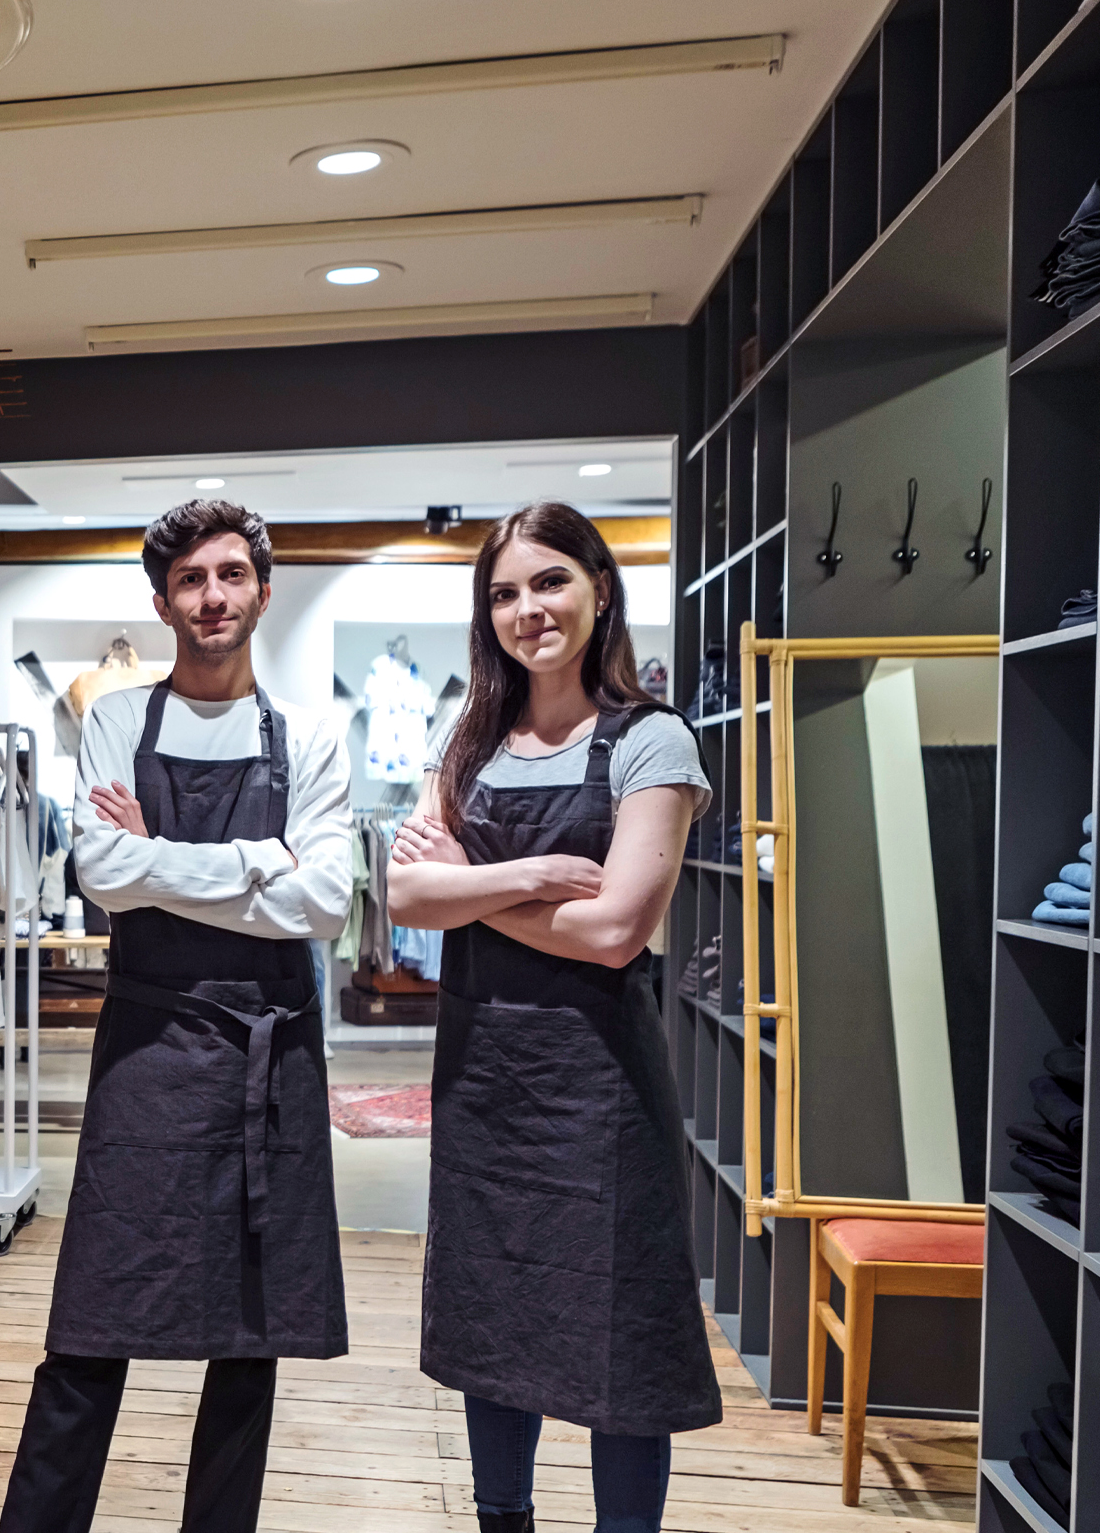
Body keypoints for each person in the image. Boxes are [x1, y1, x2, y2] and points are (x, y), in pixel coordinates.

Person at [0, 499, 352, 1533]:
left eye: (232, 575)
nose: (214, 596)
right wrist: (258, 862)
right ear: (163, 602)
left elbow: (323, 904)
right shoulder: (115, 718)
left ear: (262, 590)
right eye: (192, 581)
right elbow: (103, 874)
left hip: (270, 1056)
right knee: (90, 1325)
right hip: (146, 1052)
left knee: (248, 1340)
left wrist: (163, 863)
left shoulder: (313, 735)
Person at [387, 501, 722, 1533]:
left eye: (549, 582)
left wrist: (474, 886)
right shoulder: (473, 742)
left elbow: (619, 928)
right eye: (503, 593)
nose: (527, 609)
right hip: (486, 1082)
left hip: (599, 1094)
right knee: (497, 1319)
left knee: (621, 1332)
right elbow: (405, 901)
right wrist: (530, 874)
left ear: (600, 590)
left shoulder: (651, 740)